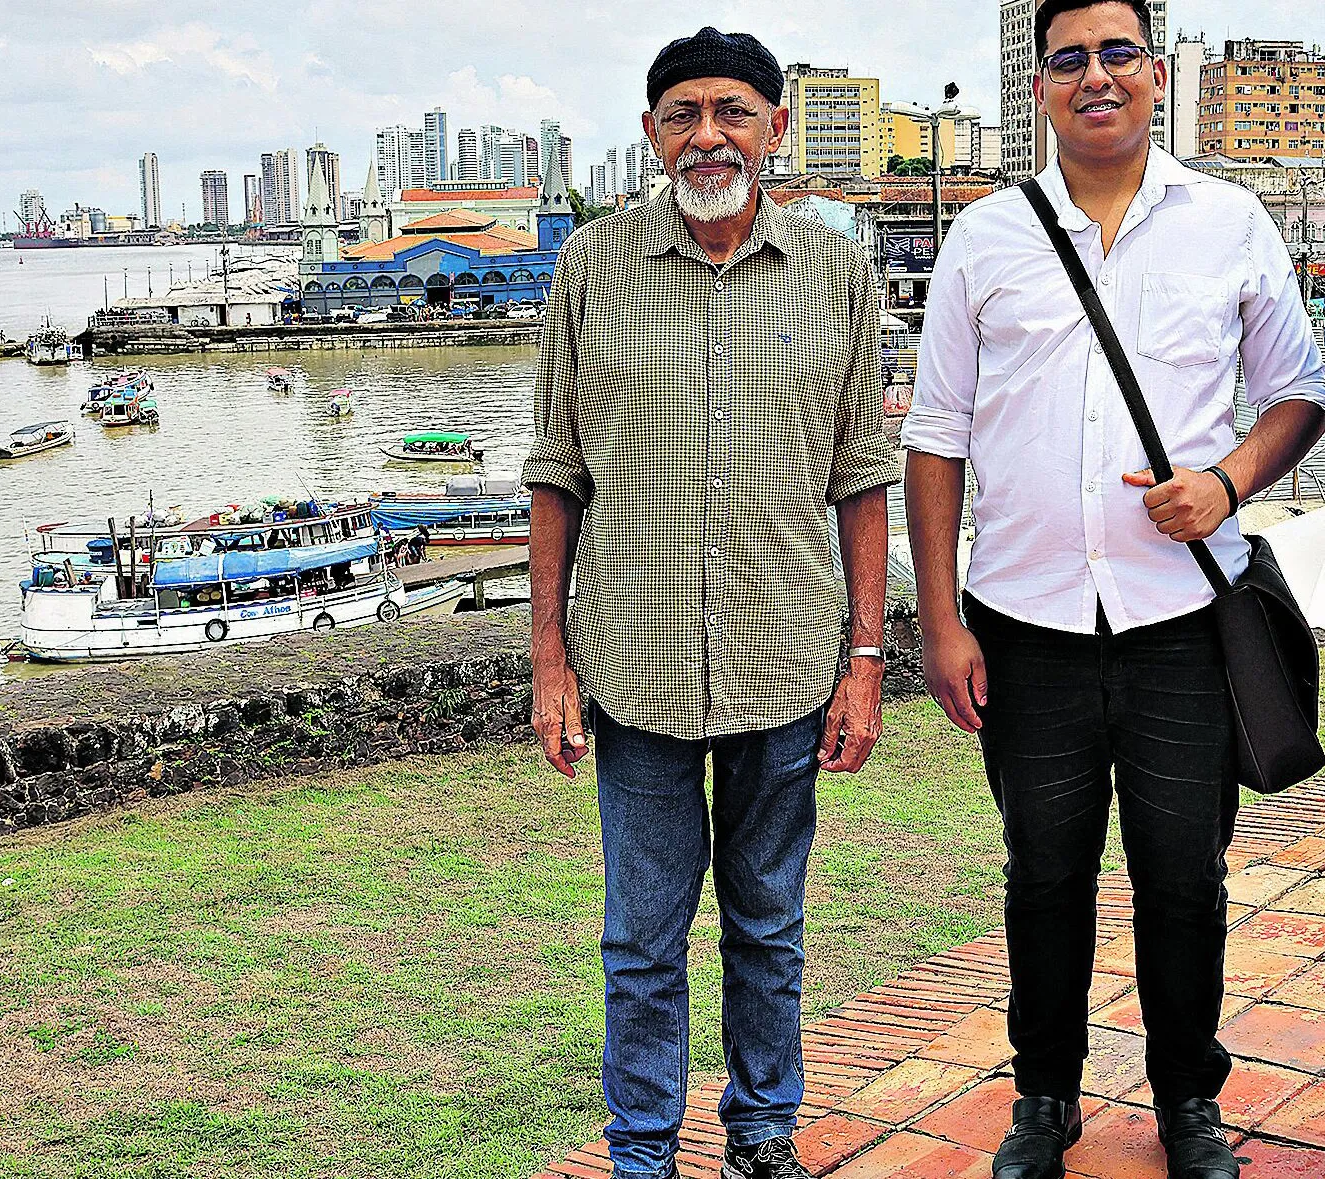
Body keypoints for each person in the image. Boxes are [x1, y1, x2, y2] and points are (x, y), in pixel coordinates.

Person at [901, 1, 1325, 1176]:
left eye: (1116, 54)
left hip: (1180, 624)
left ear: (1153, 72)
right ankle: (1044, 1097)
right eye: (1067, 60)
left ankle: (1186, 1104)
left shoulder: (1229, 223)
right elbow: (934, 438)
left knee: (1181, 875)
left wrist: (1227, 480)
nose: (1094, 76)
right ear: (1038, 86)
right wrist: (938, 620)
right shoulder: (985, 237)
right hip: (1024, 623)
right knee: (1043, 872)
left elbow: (1298, 391)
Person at [524, 27, 896, 1179]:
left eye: (733, 110)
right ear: (649, 135)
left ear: (774, 127)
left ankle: (760, 1135)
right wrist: (546, 659)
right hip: (631, 664)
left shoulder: (835, 271)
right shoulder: (592, 267)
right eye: (681, 114)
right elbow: (553, 471)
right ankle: (641, 1151)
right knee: (639, 940)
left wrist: (866, 657)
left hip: (785, 658)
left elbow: (861, 474)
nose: (707, 135)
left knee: (767, 927)